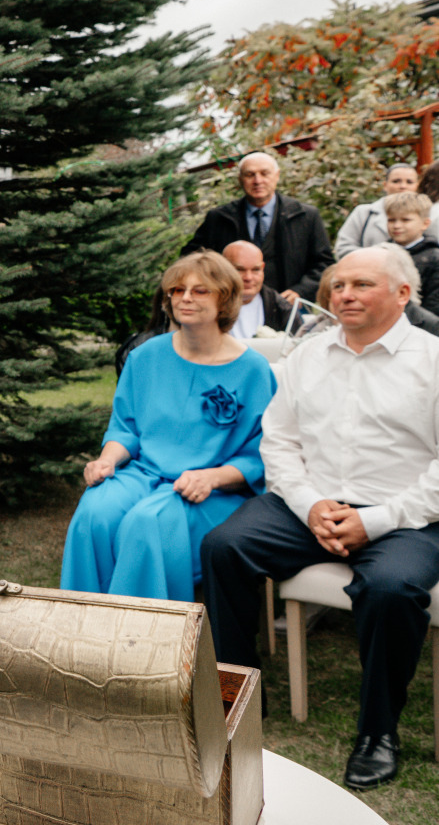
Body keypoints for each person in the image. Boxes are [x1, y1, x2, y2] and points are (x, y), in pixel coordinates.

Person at [201, 246, 439, 791]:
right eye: (338, 285)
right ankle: (236, 692)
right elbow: (279, 443)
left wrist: (376, 520)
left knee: (391, 589)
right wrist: (309, 504)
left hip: (406, 514)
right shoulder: (307, 355)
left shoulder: (433, 360)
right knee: (224, 547)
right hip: (311, 504)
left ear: (403, 293)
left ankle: (378, 731)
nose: (344, 294)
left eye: (362, 285)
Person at [60, 252, 274, 602]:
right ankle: (81, 625)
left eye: (200, 290)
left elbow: (259, 455)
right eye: (177, 289)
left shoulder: (253, 370)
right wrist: (107, 461)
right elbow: (125, 428)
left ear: (225, 299)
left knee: (147, 523)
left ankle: (141, 632)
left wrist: (211, 478)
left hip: (212, 491)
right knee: (94, 514)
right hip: (143, 473)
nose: (185, 298)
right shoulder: (145, 357)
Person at [181, 151, 332, 303]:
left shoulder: (305, 216)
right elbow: (192, 259)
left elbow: (324, 264)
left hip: (288, 306)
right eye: (250, 175)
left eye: (264, 173)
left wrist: (300, 291)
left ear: (277, 175)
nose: (257, 181)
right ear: (240, 179)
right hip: (232, 308)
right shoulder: (219, 218)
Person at [334, 163, 437, 257]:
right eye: (396, 181)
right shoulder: (365, 213)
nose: (403, 186)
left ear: (417, 185)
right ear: (385, 185)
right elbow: (344, 247)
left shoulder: (431, 213)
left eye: (409, 182)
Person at [383, 191, 439, 317]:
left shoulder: (434, 258)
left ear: (425, 223)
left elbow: (434, 303)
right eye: (391, 220)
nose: (397, 226)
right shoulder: (380, 253)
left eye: (405, 220)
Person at [222, 240, 289, 338]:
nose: (248, 277)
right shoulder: (207, 307)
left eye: (256, 270)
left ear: (263, 268)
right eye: (239, 269)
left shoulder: (280, 308)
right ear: (222, 269)